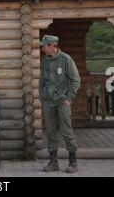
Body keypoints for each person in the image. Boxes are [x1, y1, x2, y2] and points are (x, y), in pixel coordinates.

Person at [39, 35, 81, 173]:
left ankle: (73, 162)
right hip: (48, 101)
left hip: (62, 101)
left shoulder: (66, 59)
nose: (43, 48)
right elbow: (42, 81)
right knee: (50, 132)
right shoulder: (45, 61)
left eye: (44, 46)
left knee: (67, 131)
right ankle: (53, 162)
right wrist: (42, 96)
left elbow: (75, 80)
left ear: (52, 45)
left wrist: (69, 98)